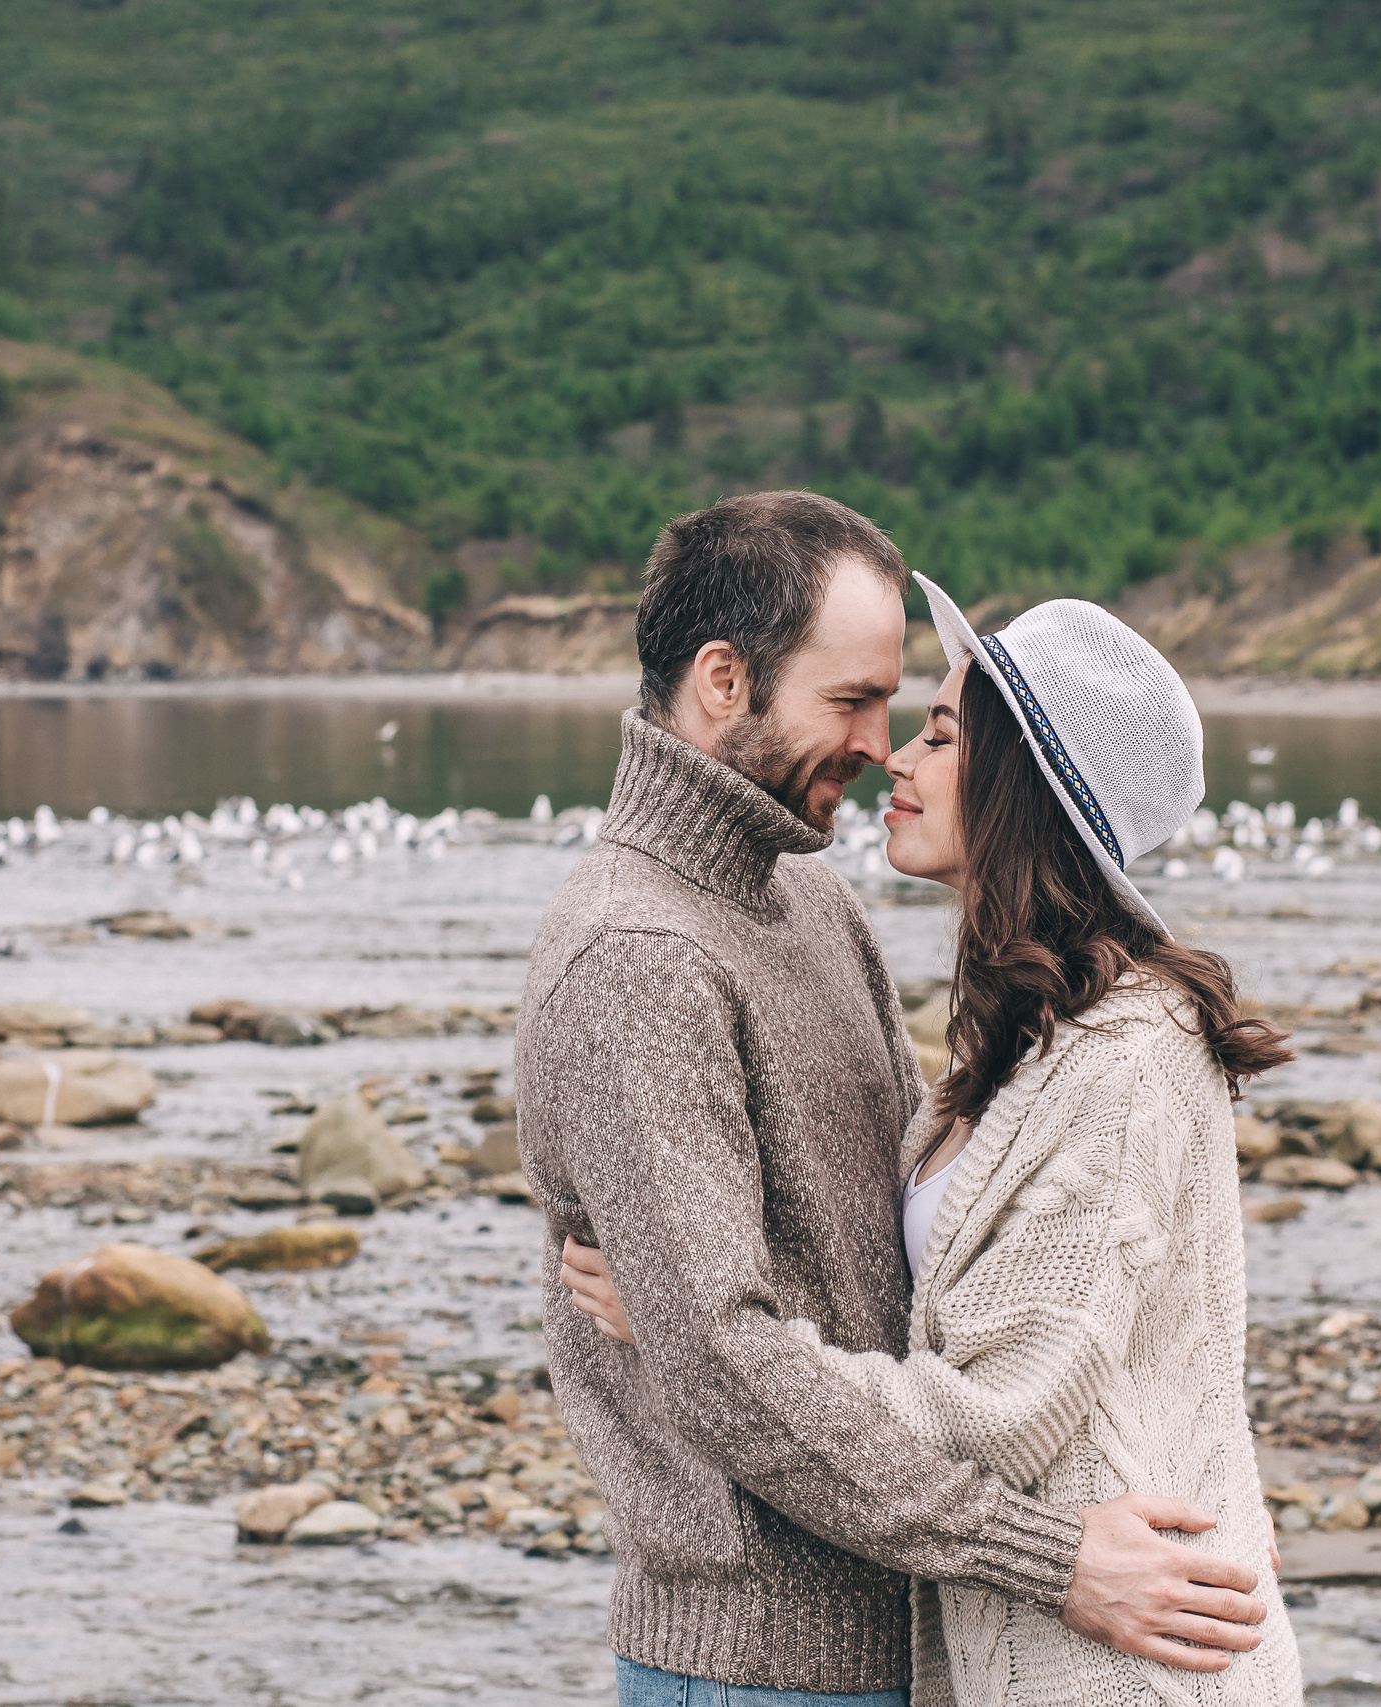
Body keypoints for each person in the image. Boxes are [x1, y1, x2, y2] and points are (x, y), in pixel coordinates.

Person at [515, 491, 1270, 1707]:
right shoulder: (636, 957)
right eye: (855, 702)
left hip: (927, 1633)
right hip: (757, 1659)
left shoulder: (817, 907)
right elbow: (727, 1365)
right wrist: (1046, 1556)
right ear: (724, 680)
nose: (880, 749)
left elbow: (940, 1276)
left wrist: (1204, 1477)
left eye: (912, 716)